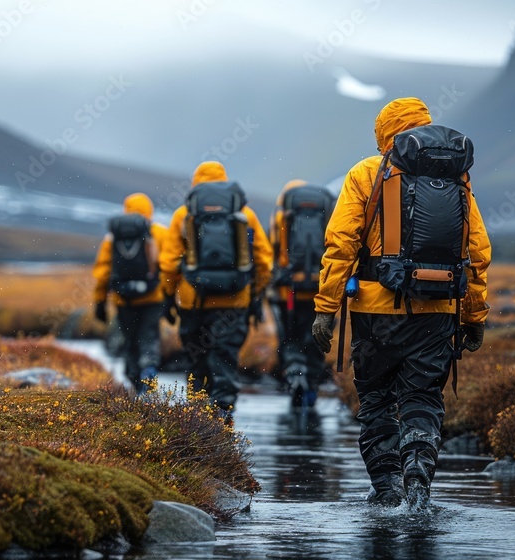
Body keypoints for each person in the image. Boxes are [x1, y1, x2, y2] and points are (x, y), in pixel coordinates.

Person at [311, 97, 491, 508]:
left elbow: (341, 244)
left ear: (383, 133)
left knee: (375, 399)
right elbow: (477, 250)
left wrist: (326, 309)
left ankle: (388, 487)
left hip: (375, 313)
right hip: (438, 312)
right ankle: (417, 482)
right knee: (423, 399)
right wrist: (474, 315)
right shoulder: (456, 175)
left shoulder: (367, 172)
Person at [159, 161, 273, 420]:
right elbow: (264, 261)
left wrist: (167, 297)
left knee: (197, 363)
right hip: (234, 303)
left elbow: (168, 264)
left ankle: (197, 424)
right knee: (225, 360)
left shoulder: (183, 215)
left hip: (193, 303)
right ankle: (223, 417)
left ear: (195, 183)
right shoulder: (246, 214)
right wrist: (255, 295)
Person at [268, 179, 335, 409]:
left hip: (289, 293)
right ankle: (312, 386)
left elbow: (271, 251)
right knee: (317, 339)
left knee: (290, 337)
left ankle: (296, 374)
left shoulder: (281, 217)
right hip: (321, 291)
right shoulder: (327, 215)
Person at [92, 193, 167, 394]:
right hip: (153, 298)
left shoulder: (113, 237)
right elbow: (169, 266)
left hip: (124, 299)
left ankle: (135, 383)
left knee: (130, 340)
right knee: (149, 337)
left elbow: (103, 271)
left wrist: (100, 302)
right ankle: (148, 377)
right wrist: (170, 298)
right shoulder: (159, 233)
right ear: (149, 210)